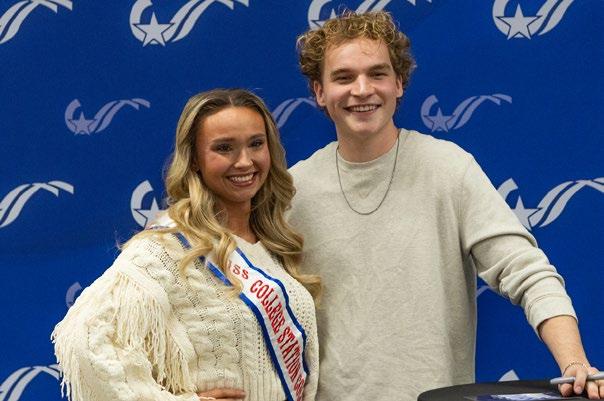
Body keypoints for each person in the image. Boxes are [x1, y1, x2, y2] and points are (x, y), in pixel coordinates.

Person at [288, 10, 603, 401]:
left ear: (399, 83)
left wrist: (574, 362)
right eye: (344, 77)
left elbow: (526, 271)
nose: (362, 89)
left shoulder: (449, 168)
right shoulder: (293, 189)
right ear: (319, 91)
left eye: (377, 73)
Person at [52, 89, 321, 401]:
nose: (244, 161)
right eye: (224, 148)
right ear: (194, 160)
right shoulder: (168, 247)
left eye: (256, 144)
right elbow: (84, 338)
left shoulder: (273, 243)